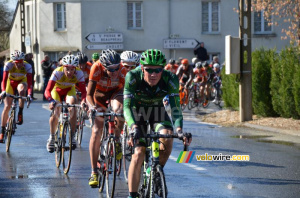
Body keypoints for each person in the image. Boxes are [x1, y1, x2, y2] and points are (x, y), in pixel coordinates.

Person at [124, 49, 191, 198]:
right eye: (149, 70)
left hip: (157, 110)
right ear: (142, 68)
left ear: (163, 69)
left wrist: (179, 130)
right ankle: (132, 195)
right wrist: (133, 127)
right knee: (139, 153)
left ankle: (153, 170)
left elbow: (175, 107)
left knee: (167, 138)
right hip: (137, 111)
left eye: (158, 70)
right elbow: (126, 107)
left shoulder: (170, 78)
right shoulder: (132, 77)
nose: (153, 74)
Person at [87, 49, 126, 187]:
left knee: (119, 111)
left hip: (116, 93)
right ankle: (94, 172)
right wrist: (92, 107)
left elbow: (127, 93)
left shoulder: (122, 70)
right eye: (111, 69)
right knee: (96, 131)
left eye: (117, 68)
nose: (115, 72)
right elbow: (89, 94)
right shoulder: (96, 67)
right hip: (99, 97)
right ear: (103, 66)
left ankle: (116, 139)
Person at [44, 55, 87, 153]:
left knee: (72, 107)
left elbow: (84, 92)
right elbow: (47, 90)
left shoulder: (79, 73)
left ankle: (72, 136)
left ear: (75, 68)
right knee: (56, 111)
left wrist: (83, 101)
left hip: (69, 91)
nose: (69, 72)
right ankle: (52, 137)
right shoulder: (57, 72)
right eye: (67, 69)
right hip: (56, 91)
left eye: (72, 70)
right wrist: (51, 101)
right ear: (63, 67)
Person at [0, 51, 33, 142]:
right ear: (13, 62)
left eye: (20, 62)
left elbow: (30, 84)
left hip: (21, 82)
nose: (19, 65)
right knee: (7, 107)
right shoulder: (8, 65)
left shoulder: (28, 66)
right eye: (16, 63)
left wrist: (29, 94)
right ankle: (2, 132)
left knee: (22, 90)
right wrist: (3, 91)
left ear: (23, 61)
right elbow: (4, 80)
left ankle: (20, 113)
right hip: (10, 83)